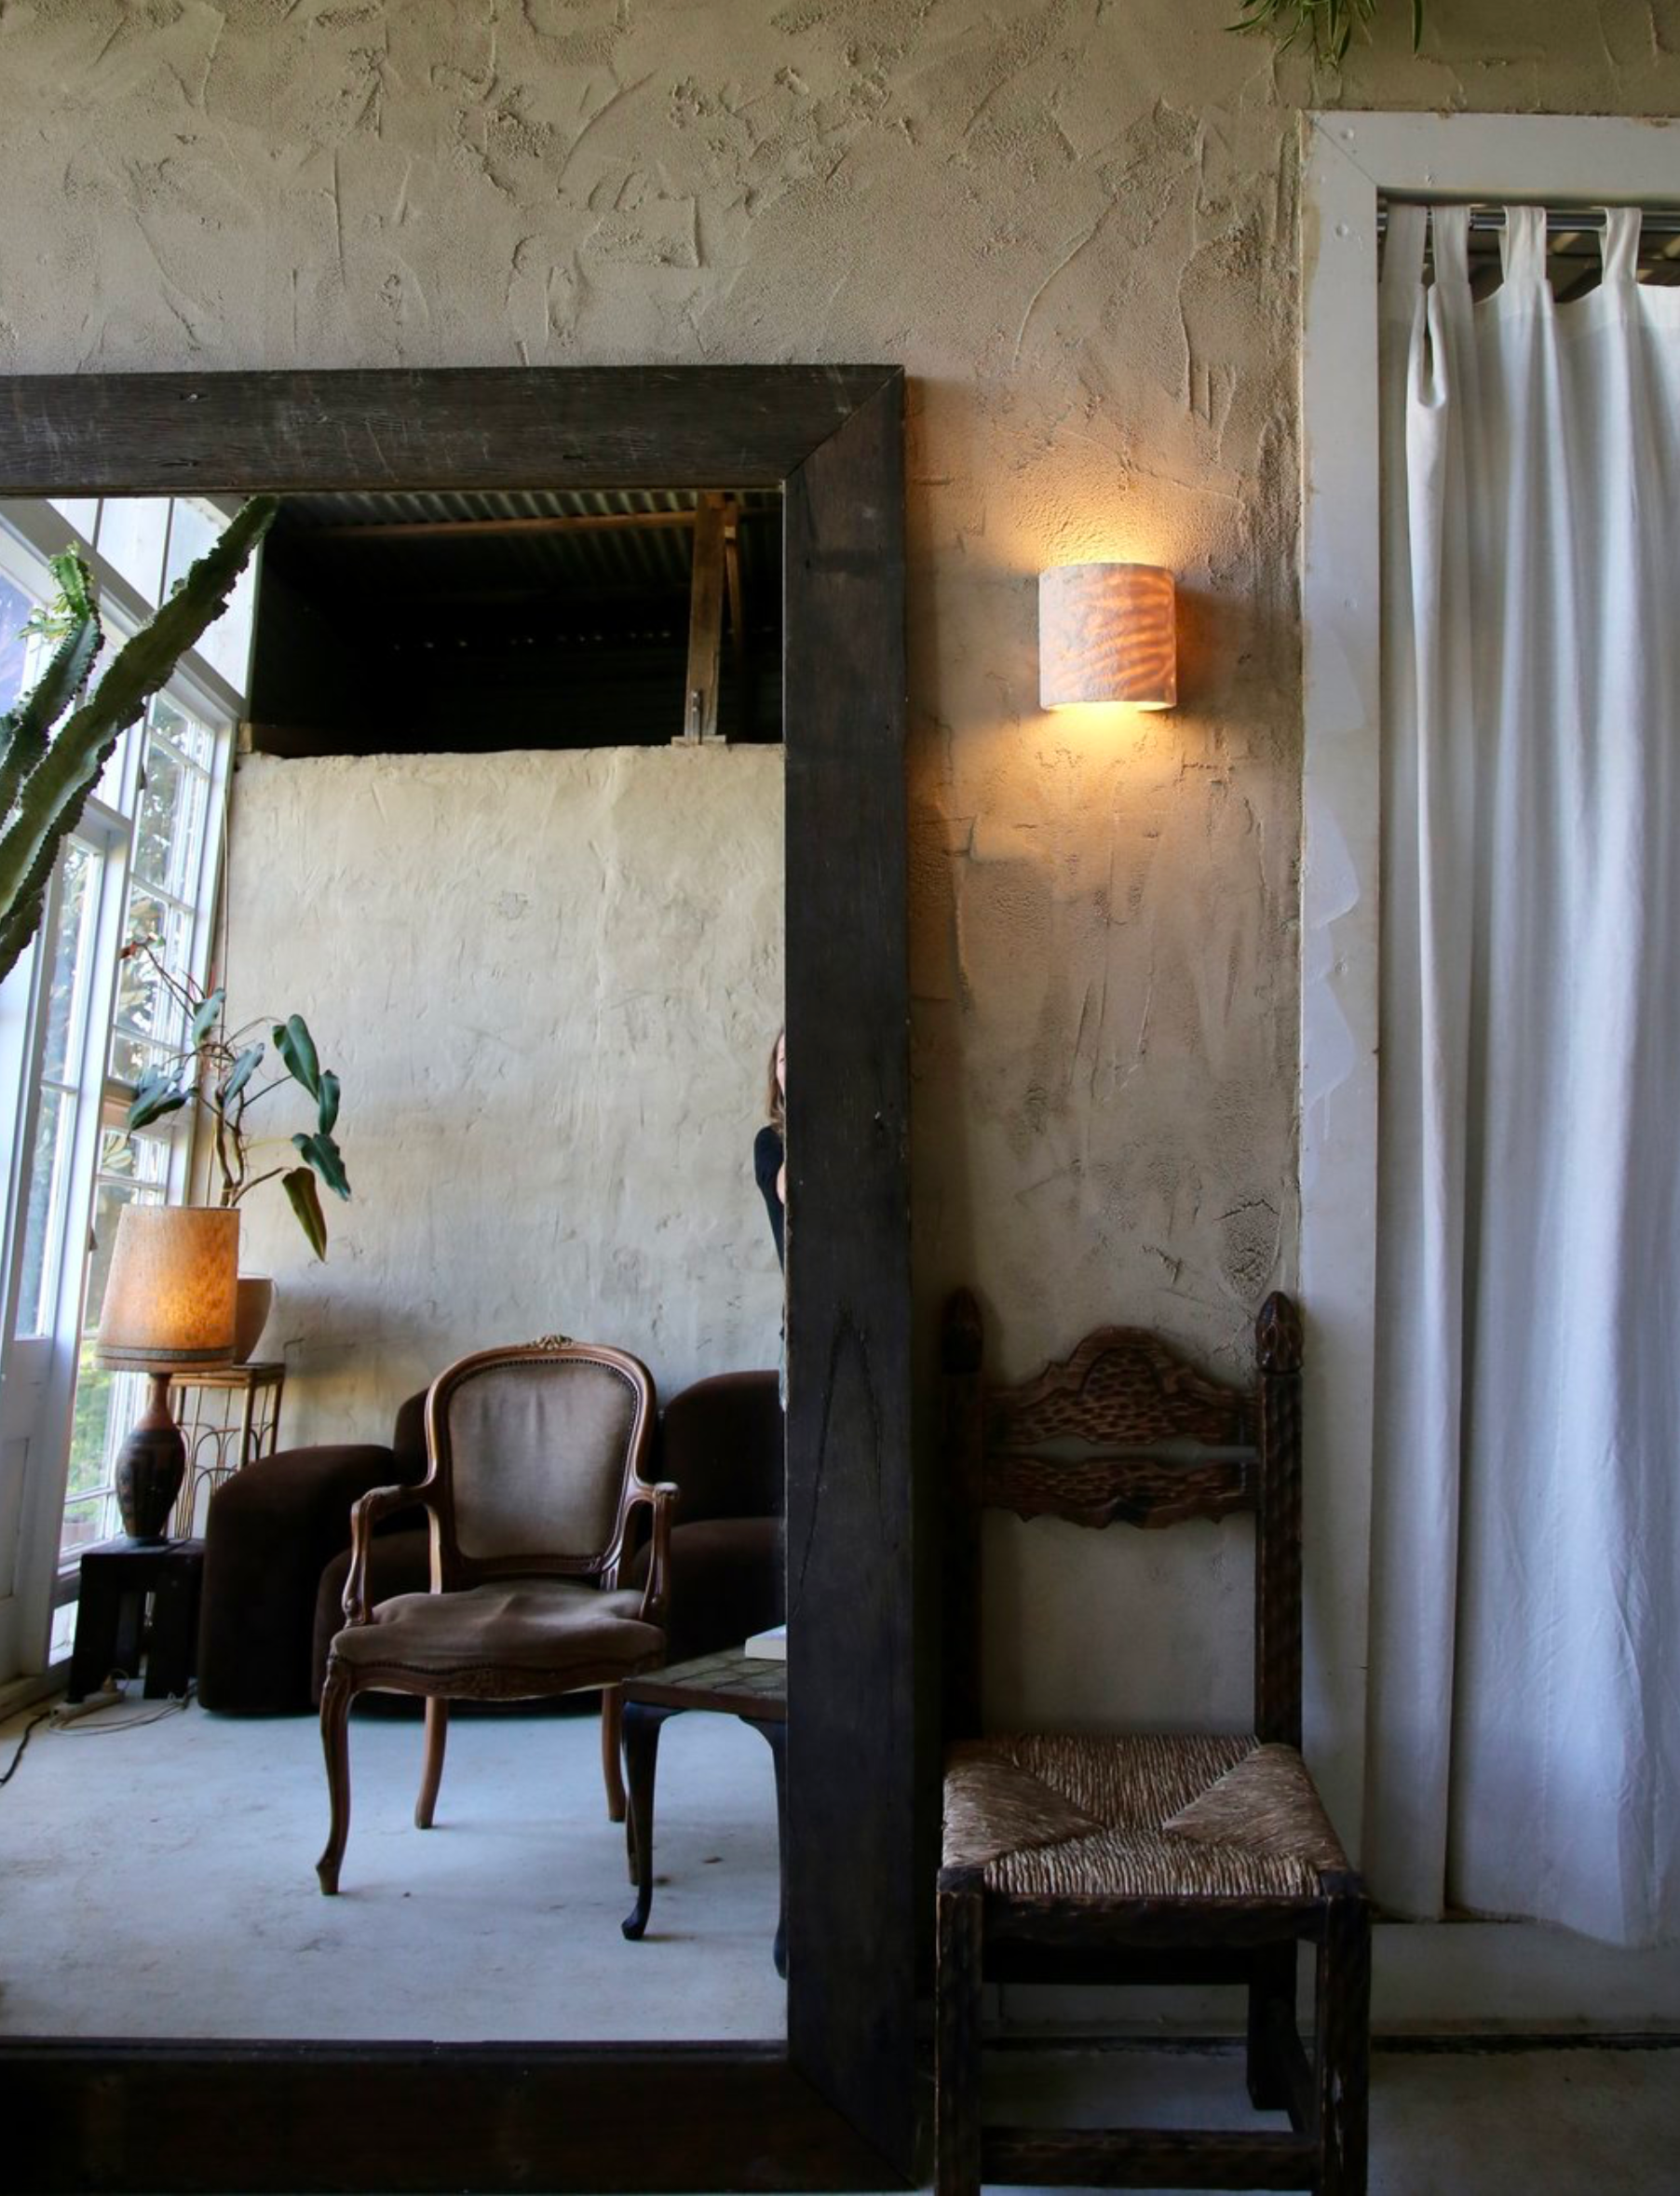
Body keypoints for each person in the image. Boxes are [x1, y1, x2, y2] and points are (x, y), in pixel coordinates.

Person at [753, 1027, 786, 1269]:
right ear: (776, 1074)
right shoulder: (768, 1142)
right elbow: (788, 1192)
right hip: (804, 1303)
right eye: (785, 1059)